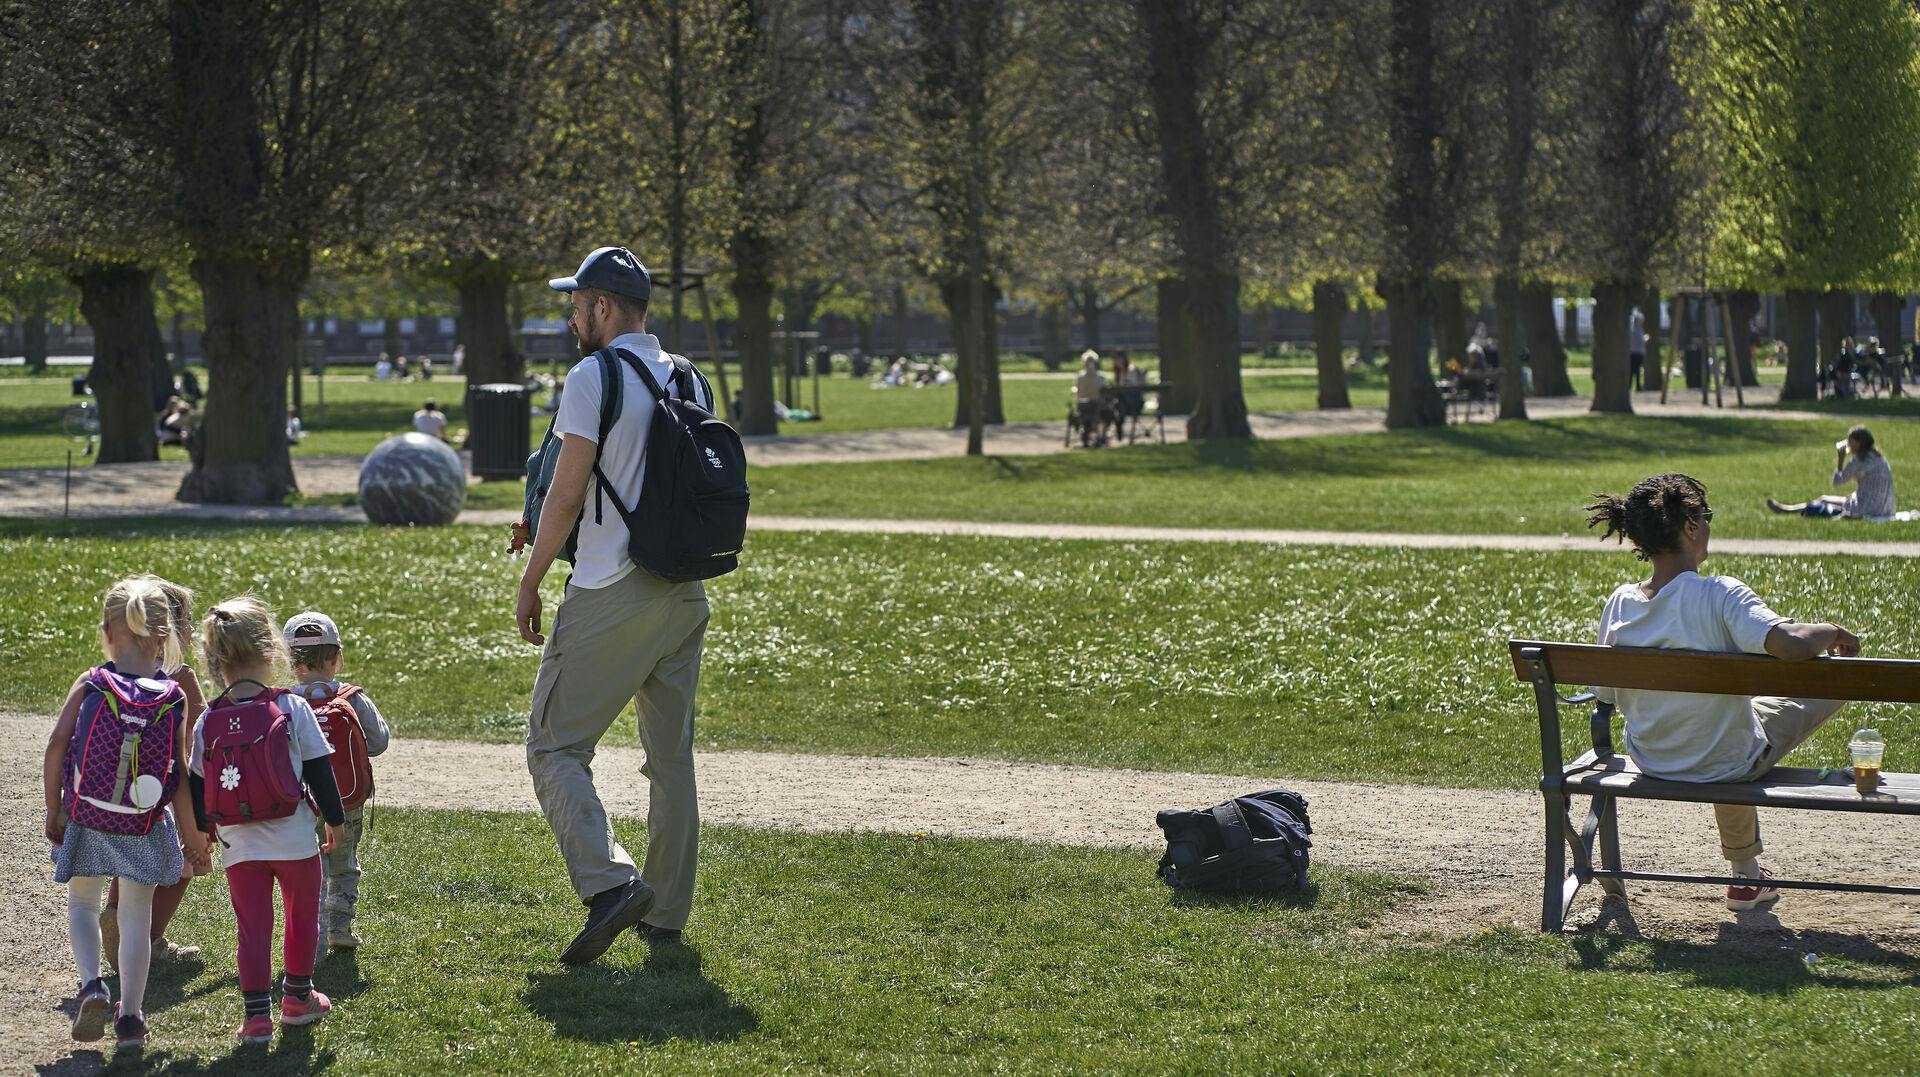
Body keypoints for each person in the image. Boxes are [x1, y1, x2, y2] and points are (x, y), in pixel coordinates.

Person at [512, 246, 715, 962]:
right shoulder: (687, 374)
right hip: (685, 591)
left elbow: (567, 495)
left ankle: (609, 884)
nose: (571, 315)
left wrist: (532, 576)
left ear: (603, 307)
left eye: (576, 303)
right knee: (671, 759)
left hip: (609, 589)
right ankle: (666, 914)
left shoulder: (593, 375)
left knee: (553, 744)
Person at [1586, 473, 1861, 910]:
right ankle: (1745, 875)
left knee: (1726, 722)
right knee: (1839, 677)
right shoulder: (1720, 594)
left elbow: (1605, 692)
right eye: (1705, 517)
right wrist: (1831, 631)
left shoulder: (1620, 602)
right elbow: (1789, 645)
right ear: (1690, 527)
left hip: (1653, 757)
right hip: (1729, 761)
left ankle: (1748, 878)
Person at [44, 577, 211, 1050]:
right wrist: (193, 837)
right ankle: (132, 1019)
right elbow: (177, 774)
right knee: (135, 916)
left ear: (106, 632)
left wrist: (54, 808)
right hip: (144, 822)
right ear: (164, 637)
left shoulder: (92, 683)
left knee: (82, 903)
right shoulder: (173, 696)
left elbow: (57, 745)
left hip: (89, 815)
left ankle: (92, 985)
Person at [193, 597, 345, 1044]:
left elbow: (197, 782)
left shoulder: (209, 719)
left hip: (239, 845)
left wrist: (203, 834)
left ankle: (256, 1017)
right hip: (295, 837)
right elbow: (319, 770)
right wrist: (334, 821)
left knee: (252, 927)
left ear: (215, 661)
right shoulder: (292, 708)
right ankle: (298, 1000)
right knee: (301, 919)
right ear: (273, 650)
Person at [101, 578, 208, 975]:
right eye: (189, 623)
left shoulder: (118, 674)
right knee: (184, 863)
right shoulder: (180, 678)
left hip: (120, 792)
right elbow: (200, 739)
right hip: (168, 795)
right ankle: (150, 938)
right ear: (169, 630)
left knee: (129, 863)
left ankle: (114, 913)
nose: (194, 632)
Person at [284, 611, 389, 952]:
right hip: (347, 801)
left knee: (310, 868)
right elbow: (379, 741)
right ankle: (341, 927)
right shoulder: (352, 698)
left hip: (300, 804)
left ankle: (312, 931)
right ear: (337, 658)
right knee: (344, 863)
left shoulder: (286, 702)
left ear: (289, 661)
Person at [1766, 425, 1896, 519]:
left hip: (1867, 508)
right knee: (1844, 497)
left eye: (1851, 442)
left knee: (1823, 499)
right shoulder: (1880, 458)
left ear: (1858, 443)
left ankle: (1787, 510)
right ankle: (1787, 509)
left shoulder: (1858, 460)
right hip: (1886, 508)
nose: (1849, 445)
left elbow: (1837, 482)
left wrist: (1840, 459)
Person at [1074, 351, 1107, 448]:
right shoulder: (1101, 376)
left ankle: (1084, 432)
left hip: (1084, 405)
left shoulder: (1081, 376)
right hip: (1097, 406)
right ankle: (1099, 435)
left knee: (1083, 408)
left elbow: (1079, 392)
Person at [1628, 311, 1647, 391]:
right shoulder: (1636, 329)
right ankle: (1637, 386)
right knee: (1635, 370)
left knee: (1634, 370)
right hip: (1636, 352)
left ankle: (1633, 385)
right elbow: (1640, 340)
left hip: (1636, 352)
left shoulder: (1636, 328)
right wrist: (1646, 338)